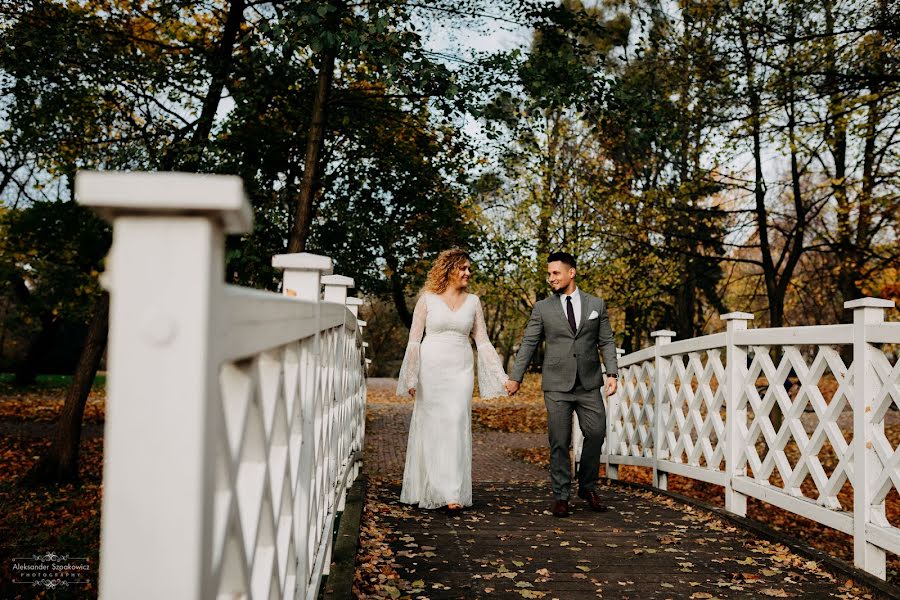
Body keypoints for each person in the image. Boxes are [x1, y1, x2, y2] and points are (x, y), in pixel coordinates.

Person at [505, 252, 618, 518]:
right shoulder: (543, 308)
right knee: (559, 441)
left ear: (572, 272)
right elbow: (529, 343)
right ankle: (561, 495)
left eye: (556, 273)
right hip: (556, 385)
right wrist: (515, 377)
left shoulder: (596, 305)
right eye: (549, 274)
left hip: (589, 383)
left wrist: (611, 372)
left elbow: (607, 341)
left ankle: (587, 487)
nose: (551, 278)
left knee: (596, 433)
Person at [397, 248, 509, 512]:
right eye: (463, 268)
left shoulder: (474, 302)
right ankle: (431, 487)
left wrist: (501, 376)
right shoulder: (427, 299)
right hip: (431, 369)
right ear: (448, 270)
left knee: (456, 422)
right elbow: (414, 340)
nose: (468, 273)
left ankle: (452, 493)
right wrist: (412, 377)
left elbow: (482, 342)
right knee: (433, 425)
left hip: (460, 369)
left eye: (469, 268)